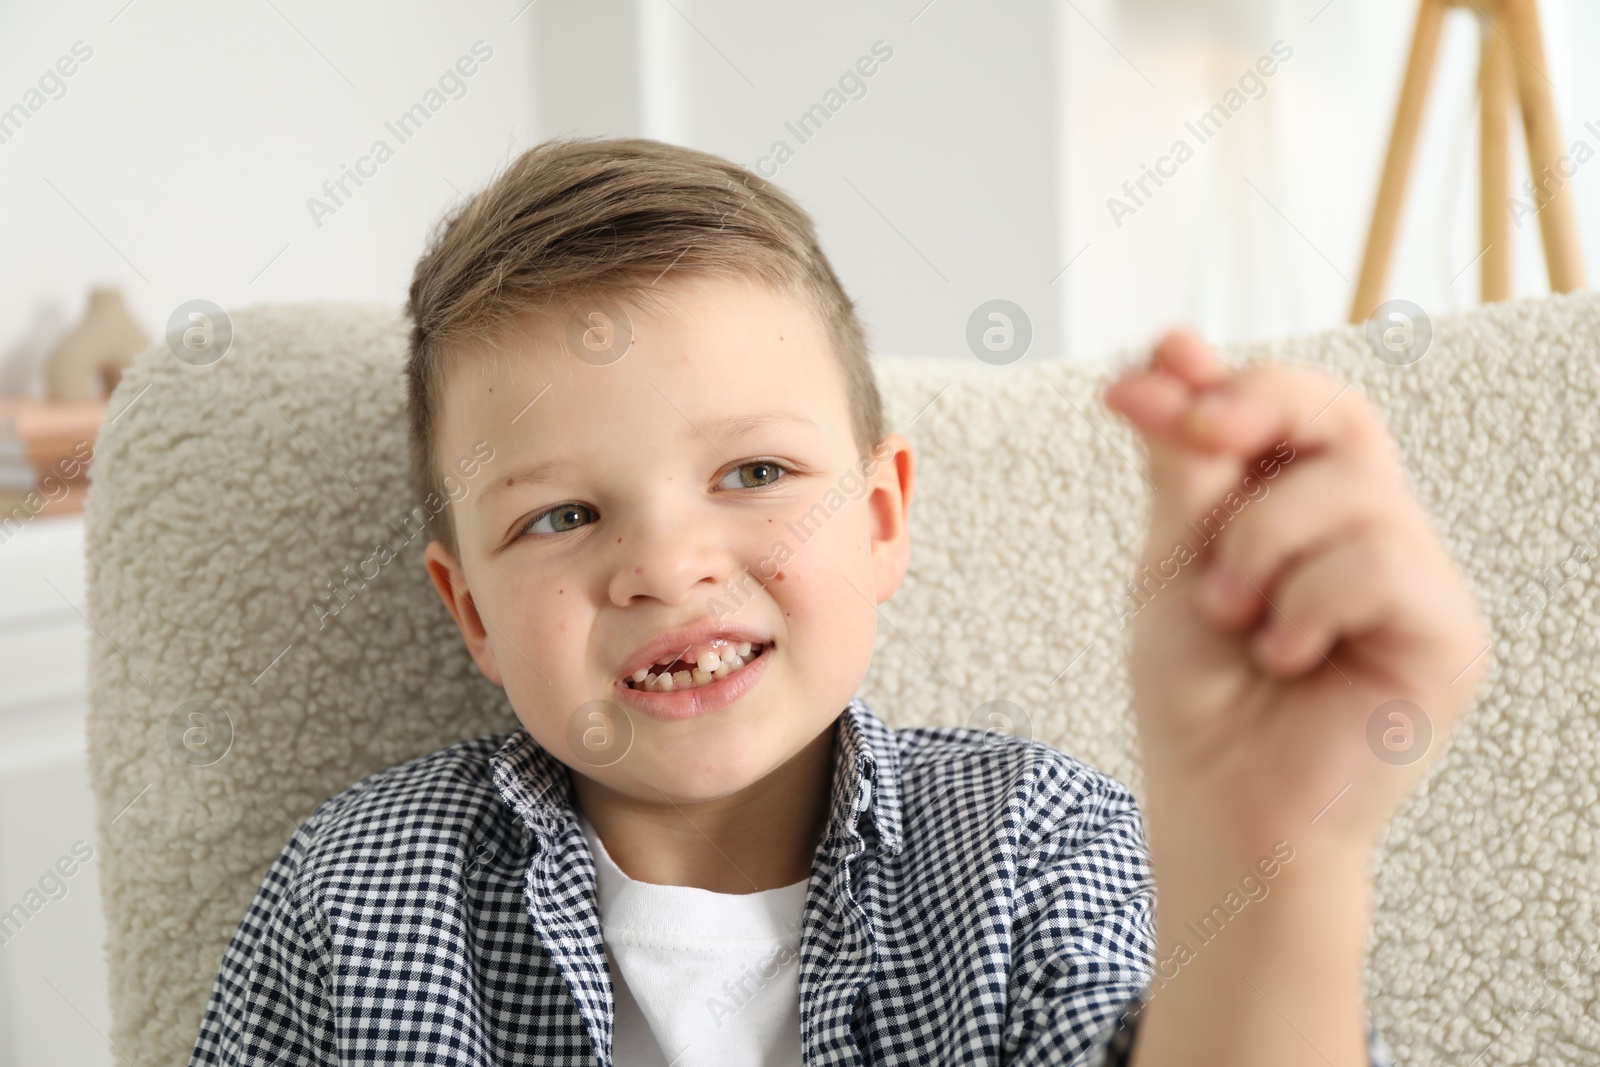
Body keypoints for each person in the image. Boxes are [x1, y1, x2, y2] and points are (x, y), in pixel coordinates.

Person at [189, 136, 1490, 1066]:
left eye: (754, 474)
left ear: (878, 522)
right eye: (563, 517)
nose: (668, 565)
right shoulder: (356, 899)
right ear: (469, 612)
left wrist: (1269, 860)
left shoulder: (1029, 852)